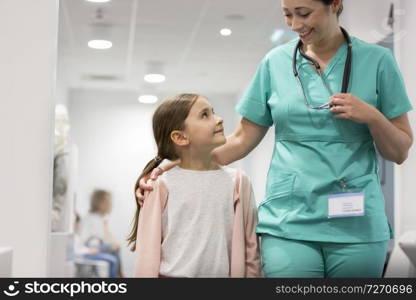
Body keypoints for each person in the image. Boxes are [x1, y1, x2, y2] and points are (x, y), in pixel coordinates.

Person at [137, 0, 413, 278]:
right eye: (288, 15)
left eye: (304, 14)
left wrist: (372, 116)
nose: (295, 25)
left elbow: (400, 151)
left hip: (356, 223)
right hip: (288, 221)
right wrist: (175, 167)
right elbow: (242, 139)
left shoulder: (378, 61)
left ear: (336, 4)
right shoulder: (275, 62)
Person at [127, 93, 260, 278]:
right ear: (180, 137)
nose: (219, 119)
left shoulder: (238, 181)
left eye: (212, 112)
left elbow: (251, 248)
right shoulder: (160, 185)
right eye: (205, 115)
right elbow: (146, 254)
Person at [79, 189, 124, 277]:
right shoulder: (91, 218)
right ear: (100, 203)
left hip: (98, 246)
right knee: (114, 249)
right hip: (91, 248)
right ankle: (120, 274)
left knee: (115, 249)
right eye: (107, 202)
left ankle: (119, 274)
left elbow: (106, 237)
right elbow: (88, 239)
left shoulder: (100, 219)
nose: (110, 205)